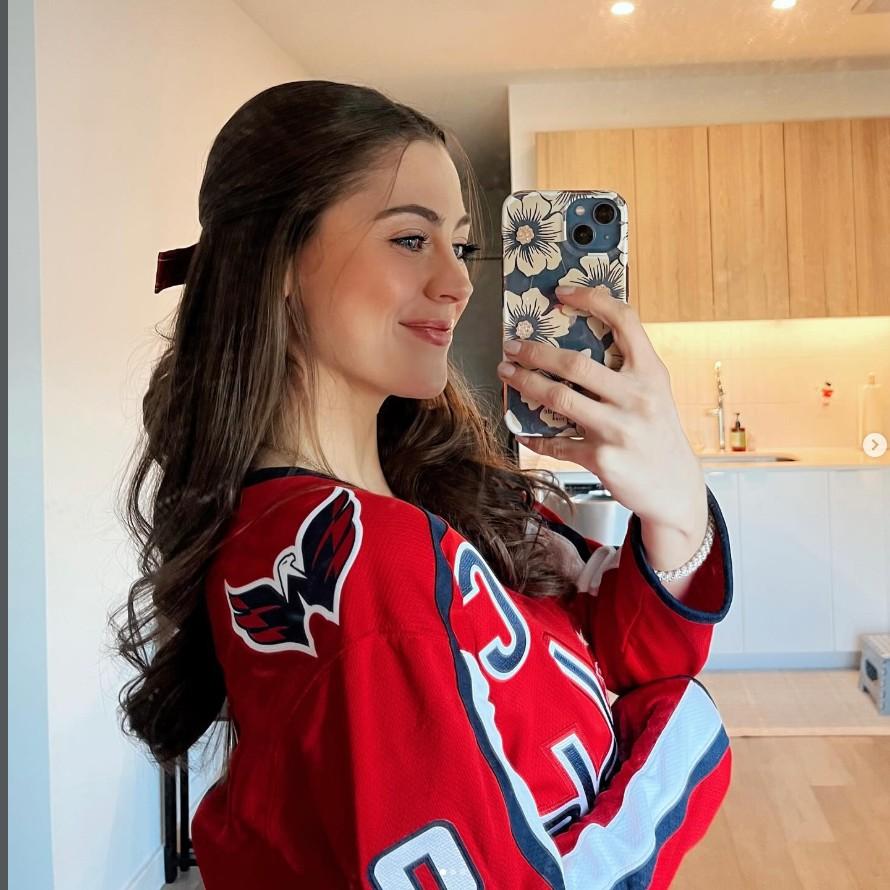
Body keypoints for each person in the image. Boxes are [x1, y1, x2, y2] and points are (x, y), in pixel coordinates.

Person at [114, 80, 734, 889]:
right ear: (279, 263)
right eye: (411, 239)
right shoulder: (358, 561)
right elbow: (650, 689)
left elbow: (621, 653)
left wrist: (675, 502)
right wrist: (690, 737)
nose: (459, 283)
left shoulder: (425, 498)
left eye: (462, 246)